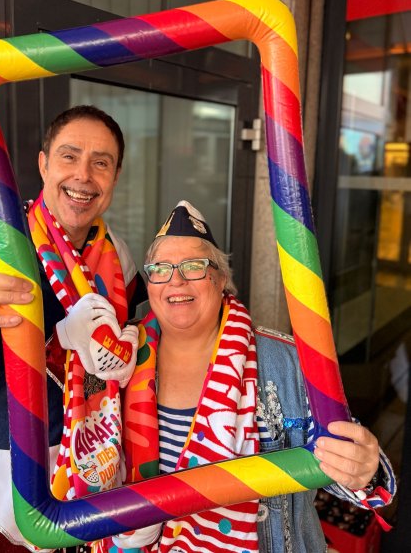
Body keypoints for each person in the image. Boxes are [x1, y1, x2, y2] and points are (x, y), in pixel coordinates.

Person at [0, 105, 147, 553]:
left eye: (101, 162)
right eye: (69, 156)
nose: (83, 176)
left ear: (115, 176)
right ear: (43, 164)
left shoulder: (120, 264)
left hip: (86, 488)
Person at [109, 200, 396, 553]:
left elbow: (342, 458)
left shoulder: (286, 361)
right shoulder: (118, 358)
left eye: (194, 266)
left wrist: (364, 469)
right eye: (161, 268)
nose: (176, 280)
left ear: (221, 278)